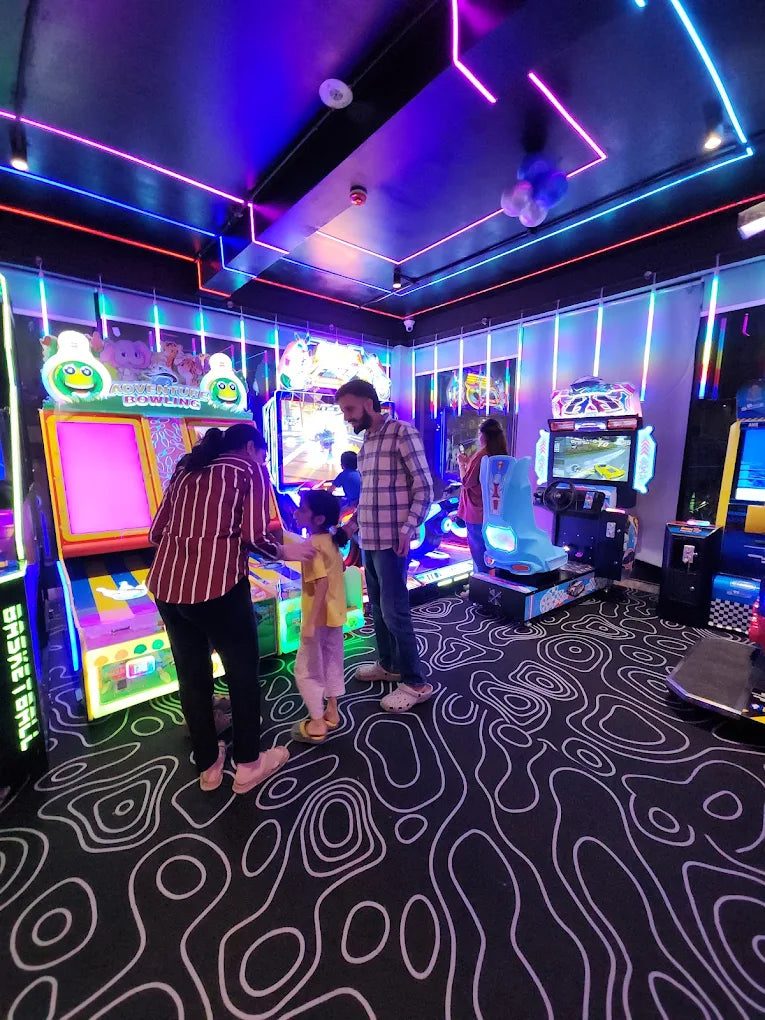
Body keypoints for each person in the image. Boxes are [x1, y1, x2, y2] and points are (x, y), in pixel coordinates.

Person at [147, 422, 315, 794]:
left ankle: (209, 766)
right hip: (218, 588)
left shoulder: (185, 467)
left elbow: (155, 533)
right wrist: (288, 552)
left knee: (193, 678)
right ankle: (249, 765)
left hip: (167, 585)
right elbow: (253, 535)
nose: (263, 459)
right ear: (252, 448)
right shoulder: (248, 469)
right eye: (264, 453)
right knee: (242, 675)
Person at [335, 378, 435, 713]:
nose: (347, 417)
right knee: (377, 609)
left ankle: (416, 681)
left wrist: (409, 528)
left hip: (394, 542)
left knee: (395, 611)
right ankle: (389, 664)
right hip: (371, 539)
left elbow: (424, 486)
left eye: (349, 408)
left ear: (367, 401)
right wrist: (351, 526)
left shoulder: (401, 432)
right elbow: (369, 497)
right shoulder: (366, 443)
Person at [288, 489, 348, 743]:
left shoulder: (311, 547)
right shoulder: (331, 540)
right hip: (334, 615)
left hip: (318, 616)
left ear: (318, 518)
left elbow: (321, 583)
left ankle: (316, 722)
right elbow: (338, 571)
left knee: (306, 668)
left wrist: (310, 623)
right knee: (332, 659)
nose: (296, 512)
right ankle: (331, 709)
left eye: (302, 509)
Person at [457, 417, 509, 573]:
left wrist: (461, 464)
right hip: (494, 511)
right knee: (492, 551)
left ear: (483, 435)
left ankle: (482, 587)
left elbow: (467, 482)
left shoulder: (482, 455)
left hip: (476, 512)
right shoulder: (501, 454)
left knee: (479, 553)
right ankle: (492, 585)